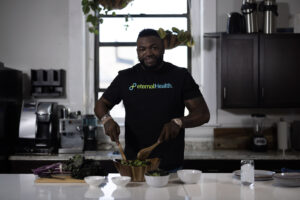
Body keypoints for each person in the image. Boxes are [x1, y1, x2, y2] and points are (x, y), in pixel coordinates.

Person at [94, 28, 210, 171]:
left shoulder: (180, 76)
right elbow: (101, 104)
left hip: (170, 165)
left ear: (163, 49)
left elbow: (203, 114)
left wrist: (179, 122)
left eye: (154, 48)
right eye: (142, 49)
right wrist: (106, 120)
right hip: (135, 164)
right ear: (137, 52)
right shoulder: (126, 77)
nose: (148, 53)